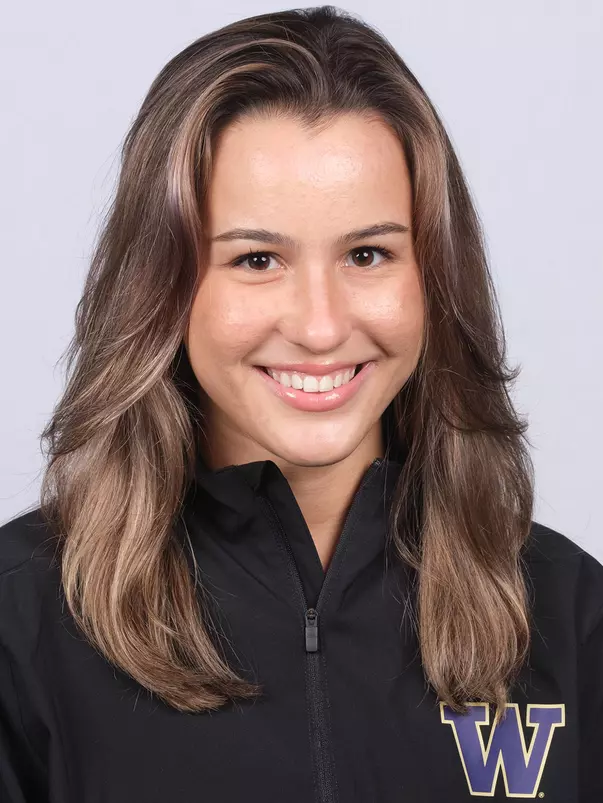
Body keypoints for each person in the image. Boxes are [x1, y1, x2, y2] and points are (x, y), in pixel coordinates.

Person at [0, 5, 601, 801]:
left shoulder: (570, 614)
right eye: (256, 258)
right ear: (163, 286)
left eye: (367, 253)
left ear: (433, 278)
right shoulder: (21, 623)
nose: (320, 325)